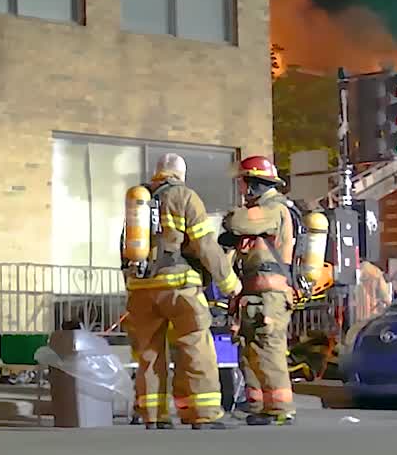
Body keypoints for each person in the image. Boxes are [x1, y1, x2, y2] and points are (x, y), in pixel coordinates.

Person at [123, 153, 239, 430]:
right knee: (194, 345)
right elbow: (205, 244)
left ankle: (153, 414)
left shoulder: (140, 200)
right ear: (179, 174)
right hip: (178, 285)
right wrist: (229, 282)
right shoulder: (184, 197)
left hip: (141, 287)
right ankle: (202, 413)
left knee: (149, 352)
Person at [221, 155, 297, 426]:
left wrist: (231, 217)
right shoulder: (263, 210)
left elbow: (237, 222)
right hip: (254, 295)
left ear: (254, 183)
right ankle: (260, 404)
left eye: (243, 183)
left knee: (268, 347)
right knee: (250, 348)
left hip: (270, 295)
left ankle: (279, 407)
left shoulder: (272, 208)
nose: (241, 189)